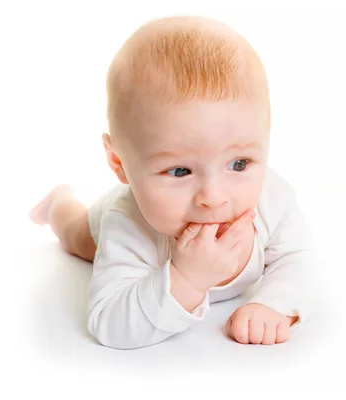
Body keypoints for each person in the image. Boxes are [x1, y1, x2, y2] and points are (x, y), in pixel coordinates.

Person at [30, 15, 316, 349]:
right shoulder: (127, 225)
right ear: (119, 163)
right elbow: (109, 322)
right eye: (180, 171)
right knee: (75, 236)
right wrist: (187, 280)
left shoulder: (272, 197)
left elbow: (299, 260)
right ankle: (57, 204)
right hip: (104, 221)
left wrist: (274, 304)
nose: (213, 196)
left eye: (239, 164)